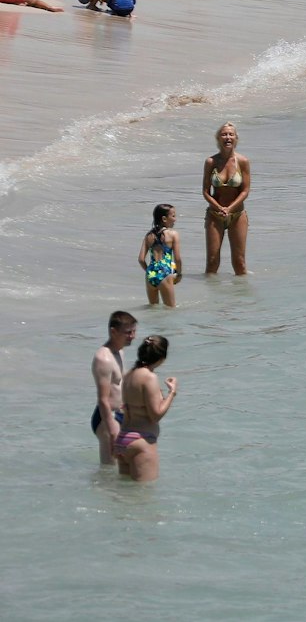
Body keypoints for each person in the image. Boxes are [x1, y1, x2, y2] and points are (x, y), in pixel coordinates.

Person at [114, 335, 176, 482]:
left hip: (122, 439)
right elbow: (156, 415)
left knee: (125, 495)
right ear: (162, 357)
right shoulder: (149, 377)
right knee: (144, 498)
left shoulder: (129, 375)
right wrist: (172, 393)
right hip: (141, 441)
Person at [199, 122, 251, 275]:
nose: (227, 137)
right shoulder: (211, 162)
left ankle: (240, 297)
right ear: (218, 138)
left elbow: (245, 191)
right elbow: (206, 191)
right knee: (212, 261)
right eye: (224, 134)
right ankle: (211, 297)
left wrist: (230, 208)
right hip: (215, 214)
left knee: (239, 262)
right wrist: (219, 208)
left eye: (231, 134)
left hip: (237, 215)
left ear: (236, 138)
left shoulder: (243, 161)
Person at [91, 311, 137, 465]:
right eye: (128, 332)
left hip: (120, 414)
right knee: (109, 471)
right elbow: (103, 399)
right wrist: (112, 430)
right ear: (113, 331)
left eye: (134, 331)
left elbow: (120, 382)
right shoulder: (103, 358)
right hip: (107, 418)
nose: (132, 336)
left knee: (123, 469)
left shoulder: (119, 352)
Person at [139, 203, 181, 308]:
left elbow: (141, 259)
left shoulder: (149, 235)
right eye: (173, 216)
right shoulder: (173, 234)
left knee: (153, 309)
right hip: (165, 273)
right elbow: (177, 259)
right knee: (171, 310)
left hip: (150, 274)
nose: (175, 219)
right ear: (164, 219)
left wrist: (151, 271)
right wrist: (179, 274)